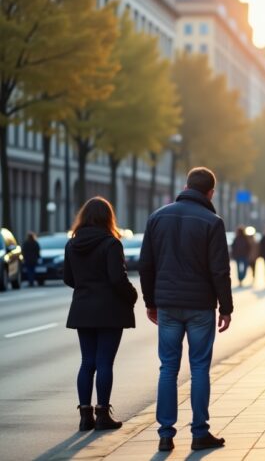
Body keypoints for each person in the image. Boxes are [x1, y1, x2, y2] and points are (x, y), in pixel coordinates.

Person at [139, 167, 232, 452]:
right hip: (200, 306)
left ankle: (166, 434)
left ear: (185, 186)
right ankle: (200, 432)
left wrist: (150, 302)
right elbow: (220, 271)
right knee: (200, 367)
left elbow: (145, 264)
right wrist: (226, 308)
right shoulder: (212, 222)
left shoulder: (157, 217)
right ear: (210, 192)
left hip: (167, 305)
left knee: (168, 368)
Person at [64, 197, 137, 432]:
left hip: (83, 309)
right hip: (109, 310)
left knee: (87, 362)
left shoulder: (72, 245)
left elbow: (68, 278)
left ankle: (85, 416)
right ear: (108, 218)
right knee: (105, 362)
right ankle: (103, 414)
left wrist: (84, 287)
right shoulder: (111, 244)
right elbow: (117, 278)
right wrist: (133, 295)